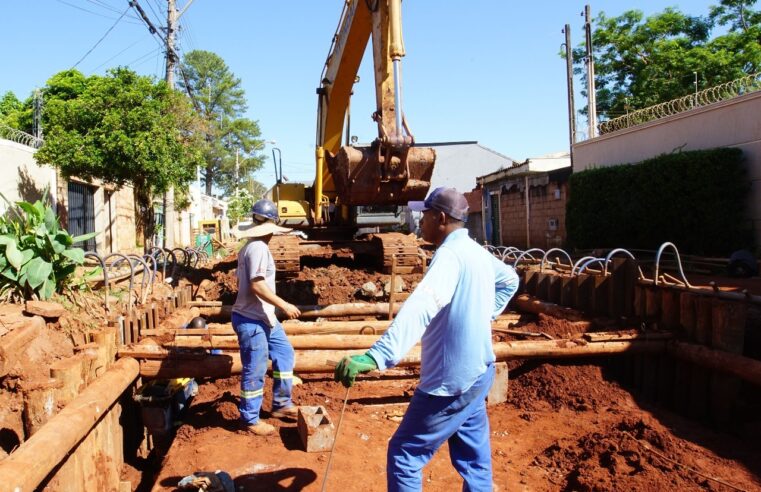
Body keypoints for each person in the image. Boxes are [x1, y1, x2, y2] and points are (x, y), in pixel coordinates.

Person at [335, 187, 519, 491]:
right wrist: (483, 315)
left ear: (442, 218)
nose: (421, 220)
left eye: (426, 215)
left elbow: (421, 305)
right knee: (475, 461)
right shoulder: (475, 251)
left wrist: (377, 356)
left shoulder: (449, 256)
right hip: (478, 373)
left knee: (405, 453)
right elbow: (510, 279)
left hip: (449, 383)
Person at [232, 198, 302, 436]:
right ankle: (250, 419)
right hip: (252, 320)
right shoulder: (259, 248)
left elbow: (241, 282)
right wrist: (285, 304)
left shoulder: (248, 247)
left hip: (263, 317)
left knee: (284, 353)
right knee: (255, 368)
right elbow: (257, 285)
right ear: (271, 226)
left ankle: (281, 405)